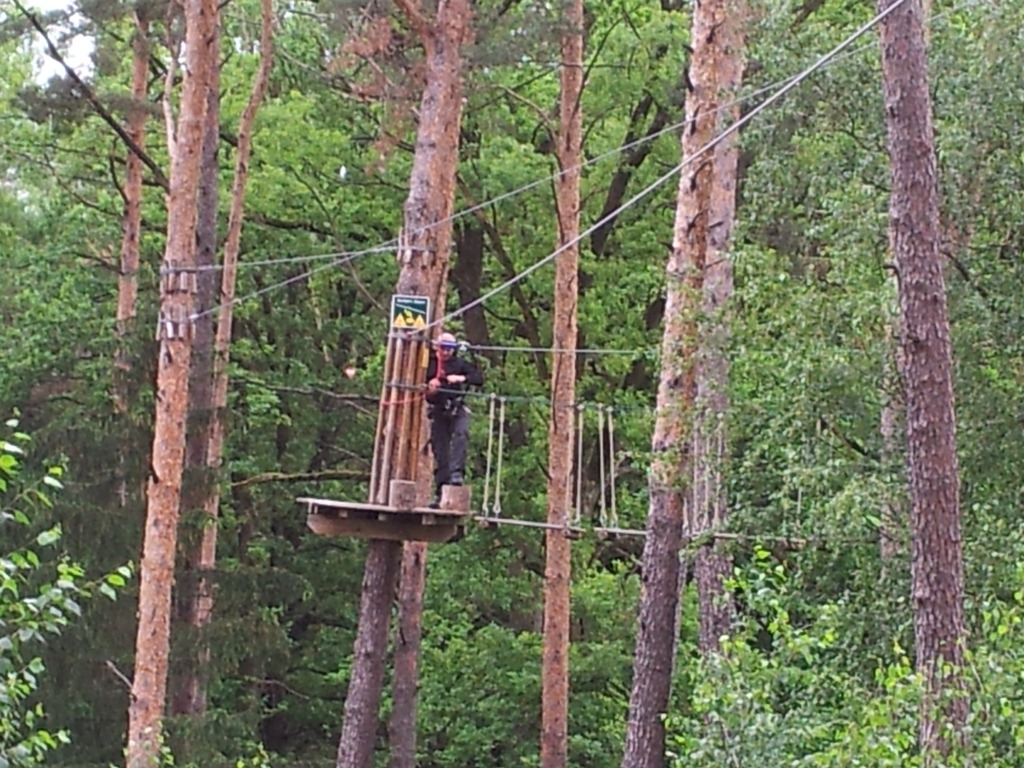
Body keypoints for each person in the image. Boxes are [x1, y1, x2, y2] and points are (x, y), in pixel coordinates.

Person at [425, 332, 484, 506]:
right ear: (437, 347)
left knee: (461, 434)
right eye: (443, 348)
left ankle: (457, 473)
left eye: (450, 349)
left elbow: (478, 378)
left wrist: (461, 378)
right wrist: (431, 388)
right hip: (438, 409)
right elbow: (421, 385)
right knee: (440, 450)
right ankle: (440, 492)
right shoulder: (429, 364)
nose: (446, 352)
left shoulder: (458, 364)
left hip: (457, 407)